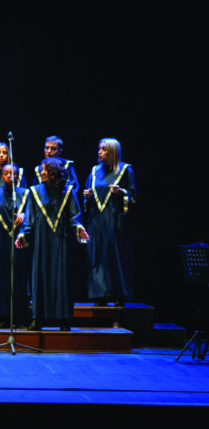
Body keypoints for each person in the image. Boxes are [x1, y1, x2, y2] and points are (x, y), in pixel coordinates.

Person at [17, 158, 89, 331]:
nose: (42, 173)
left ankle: (64, 319)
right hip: (41, 242)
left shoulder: (68, 191)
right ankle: (37, 318)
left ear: (55, 173)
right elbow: (29, 219)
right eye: (42, 170)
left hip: (61, 240)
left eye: (46, 170)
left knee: (61, 278)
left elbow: (74, 216)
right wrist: (23, 235)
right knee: (39, 278)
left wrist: (79, 227)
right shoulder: (34, 192)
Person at [83, 138, 136, 306]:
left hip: (114, 220)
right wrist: (88, 197)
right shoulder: (94, 171)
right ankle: (100, 295)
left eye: (104, 150)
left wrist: (121, 192)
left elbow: (133, 196)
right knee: (98, 257)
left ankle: (119, 294)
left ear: (112, 152)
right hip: (97, 220)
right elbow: (89, 193)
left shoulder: (125, 170)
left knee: (115, 257)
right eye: (99, 149)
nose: (100, 152)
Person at [0, 164, 30, 327]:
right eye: (6, 173)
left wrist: (25, 215)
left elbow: (33, 215)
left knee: (18, 278)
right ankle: (2, 315)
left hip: (19, 243)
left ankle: (19, 314)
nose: (9, 176)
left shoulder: (25, 195)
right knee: (1, 278)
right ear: (2, 176)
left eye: (13, 173)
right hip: (0, 242)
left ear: (18, 176)